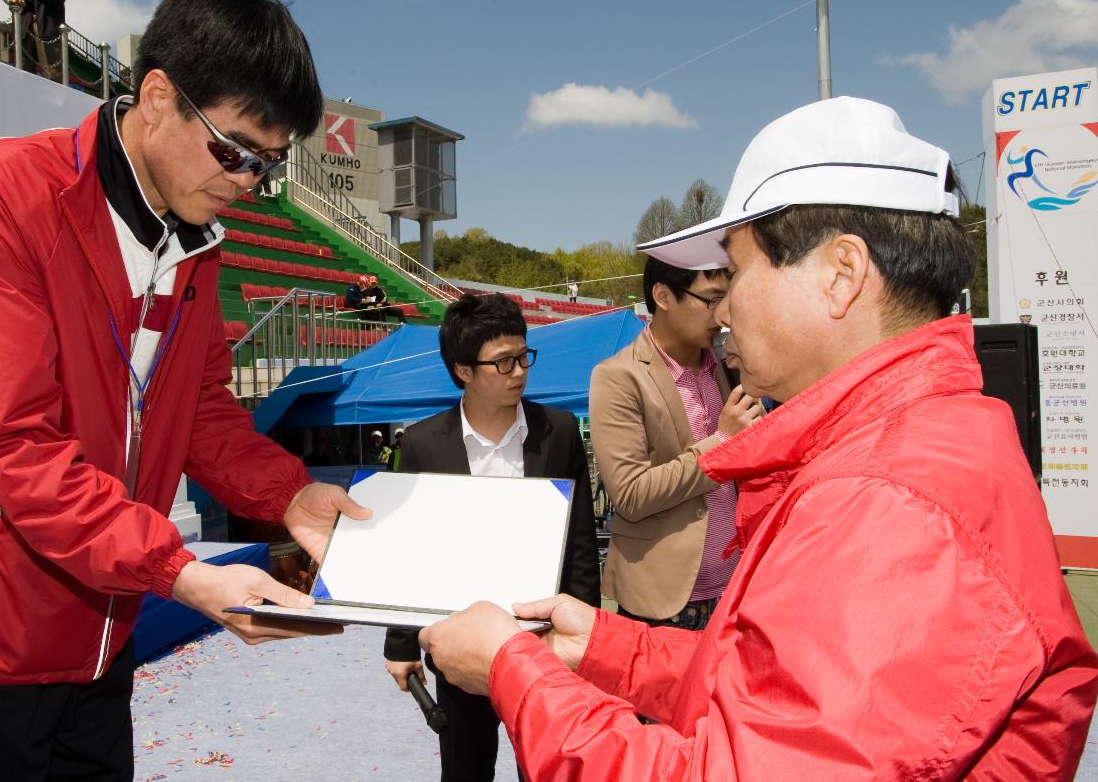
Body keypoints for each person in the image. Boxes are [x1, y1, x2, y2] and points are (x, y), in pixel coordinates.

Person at [420, 96, 1098, 780]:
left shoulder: (889, 499)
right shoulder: (906, 449)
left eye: (737, 272)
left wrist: (516, 673)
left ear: (842, 273)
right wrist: (606, 649)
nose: (727, 306)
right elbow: (780, 688)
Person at [0, 0, 370, 781]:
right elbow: (16, 450)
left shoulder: (198, 243)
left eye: (268, 166)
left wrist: (287, 495)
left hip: (100, 636)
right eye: (234, 151)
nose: (246, 183)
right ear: (157, 96)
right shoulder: (1, 201)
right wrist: (178, 571)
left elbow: (201, 412)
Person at [385, 293, 600, 781]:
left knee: (546, 769)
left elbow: (580, 543)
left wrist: (583, 633)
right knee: (465, 770)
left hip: (542, 640)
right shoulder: (421, 443)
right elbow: (406, 550)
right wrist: (400, 644)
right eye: (503, 362)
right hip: (460, 643)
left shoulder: (560, 430)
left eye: (523, 356)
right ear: (463, 370)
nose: (520, 371)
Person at [589, 257, 762, 634]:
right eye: (711, 300)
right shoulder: (619, 377)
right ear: (663, 296)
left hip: (737, 588)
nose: (722, 315)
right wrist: (722, 442)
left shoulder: (729, 365)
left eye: (727, 299)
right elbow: (631, 495)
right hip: (664, 602)